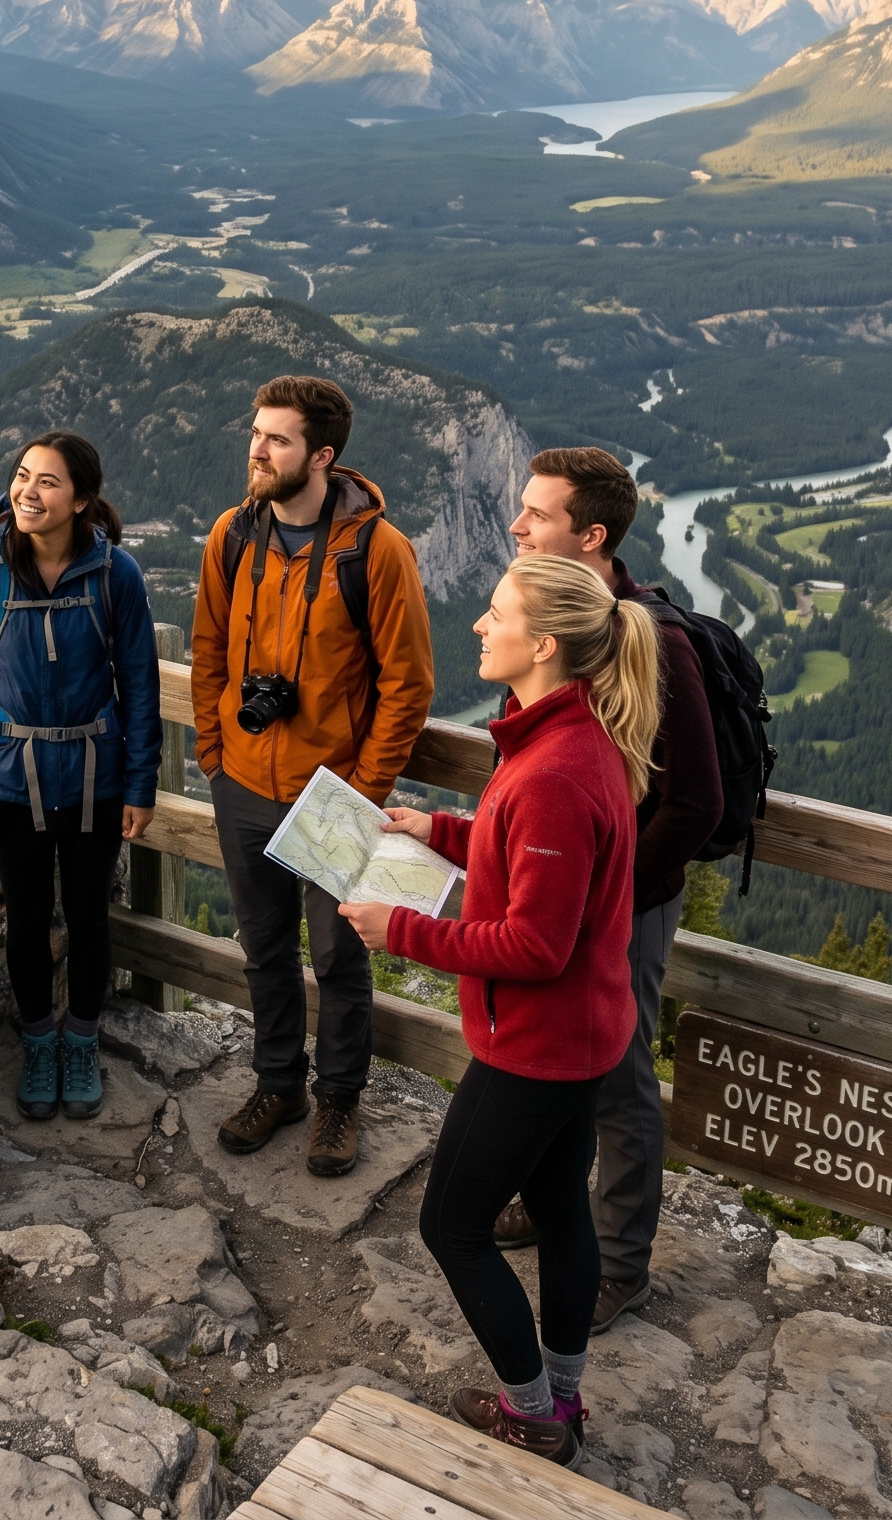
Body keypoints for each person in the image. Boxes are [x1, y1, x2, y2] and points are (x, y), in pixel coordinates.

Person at [340, 554, 660, 1467]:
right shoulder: (573, 738)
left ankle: (532, 1416)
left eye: (494, 614)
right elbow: (533, 851)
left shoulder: (554, 766)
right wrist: (437, 830)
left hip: (539, 1046)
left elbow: (533, 945)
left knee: (451, 1226)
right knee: (560, 1207)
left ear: (545, 642)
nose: (479, 626)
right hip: (587, 1036)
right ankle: (563, 1395)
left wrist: (394, 927)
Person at [501, 447, 723, 1332]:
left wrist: (606, 889)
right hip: (568, 887)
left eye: (537, 515)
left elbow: (696, 802)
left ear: (589, 535)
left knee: (620, 1075)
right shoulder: (563, 618)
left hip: (624, 899)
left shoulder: (652, 639)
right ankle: (559, 1207)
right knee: (557, 1054)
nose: (517, 526)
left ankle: (620, 1262)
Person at [191, 375, 433, 1179]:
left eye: (278, 439)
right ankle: (278, 1086)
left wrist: (363, 790)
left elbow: (408, 684)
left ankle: (338, 1102)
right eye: (256, 434)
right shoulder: (233, 534)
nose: (257, 450)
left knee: (336, 954)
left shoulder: (377, 552)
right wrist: (212, 753)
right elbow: (209, 652)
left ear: (322, 455)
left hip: (333, 796)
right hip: (243, 785)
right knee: (262, 945)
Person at [0, 433, 161, 1122]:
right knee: (29, 919)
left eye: (49, 482)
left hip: (95, 777)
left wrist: (140, 783)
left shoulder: (114, 574)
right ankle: (40, 1044)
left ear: (83, 500)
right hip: (10, 780)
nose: (28, 492)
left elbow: (141, 682)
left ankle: (81, 1042)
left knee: (91, 916)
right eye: (22, 476)